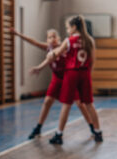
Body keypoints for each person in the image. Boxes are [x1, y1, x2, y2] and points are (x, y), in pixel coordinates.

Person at [11, 28, 95, 140]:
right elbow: (33, 42)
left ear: (59, 38)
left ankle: (92, 126)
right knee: (47, 101)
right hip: (57, 77)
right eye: (49, 37)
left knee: (80, 103)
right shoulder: (48, 48)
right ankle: (38, 127)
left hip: (67, 77)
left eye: (54, 37)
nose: (52, 39)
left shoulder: (64, 46)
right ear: (47, 39)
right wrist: (18, 34)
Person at [31, 15, 103, 145]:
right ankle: (98, 132)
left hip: (72, 73)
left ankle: (59, 134)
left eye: (68, 27)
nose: (67, 30)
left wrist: (49, 55)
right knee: (89, 104)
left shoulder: (69, 40)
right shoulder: (89, 40)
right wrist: (88, 73)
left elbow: (55, 54)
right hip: (85, 73)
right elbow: (92, 60)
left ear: (74, 27)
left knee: (67, 105)